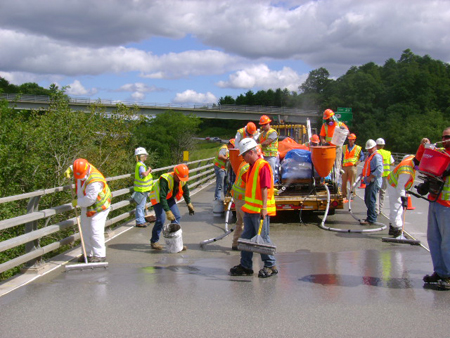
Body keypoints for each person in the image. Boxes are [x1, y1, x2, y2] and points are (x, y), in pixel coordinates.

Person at [230, 138, 278, 278]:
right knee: (245, 238)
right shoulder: (251, 166)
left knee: (263, 238)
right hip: (250, 209)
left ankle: (270, 265)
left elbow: (265, 187)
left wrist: (264, 208)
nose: (243, 158)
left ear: (251, 152)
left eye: (244, 155)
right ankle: (245, 266)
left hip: (259, 210)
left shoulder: (263, 166)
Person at [423, 127, 450, 289]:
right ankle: (440, 271)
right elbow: (424, 163)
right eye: (443, 137)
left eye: (448, 137)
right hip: (435, 200)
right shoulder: (440, 153)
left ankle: (448, 275)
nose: (445, 139)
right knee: (434, 239)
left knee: (447, 241)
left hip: (448, 204)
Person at [71, 158, 112, 263]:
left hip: (99, 205)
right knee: (85, 229)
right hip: (86, 204)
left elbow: (89, 200)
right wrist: (69, 169)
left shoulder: (95, 181)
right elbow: (75, 167)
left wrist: (77, 202)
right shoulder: (82, 167)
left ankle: (99, 255)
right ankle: (87, 253)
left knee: (95, 230)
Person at [148, 164, 195, 251]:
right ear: (175, 174)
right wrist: (167, 211)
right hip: (158, 198)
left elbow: (185, 190)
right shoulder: (165, 179)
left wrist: (189, 203)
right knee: (160, 219)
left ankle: (176, 243)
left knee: (176, 216)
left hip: (169, 197)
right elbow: (162, 197)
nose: (181, 180)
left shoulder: (182, 178)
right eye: (179, 178)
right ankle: (154, 241)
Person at [386, 154, 420, 237]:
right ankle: (397, 229)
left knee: (396, 206)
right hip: (394, 185)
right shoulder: (406, 171)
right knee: (397, 207)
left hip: (395, 181)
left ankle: (393, 226)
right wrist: (403, 197)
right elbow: (400, 187)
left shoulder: (412, 158)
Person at [319, 109, 348, 181]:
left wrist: (343, 130)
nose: (328, 121)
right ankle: (328, 179)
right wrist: (323, 142)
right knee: (328, 165)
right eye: (327, 119)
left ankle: (336, 180)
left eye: (328, 119)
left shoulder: (339, 124)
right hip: (328, 148)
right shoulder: (324, 126)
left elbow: (347, 133)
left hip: (337, 148)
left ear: (332, 117)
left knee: (337, 164)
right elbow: (322, 136)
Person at [359, 139, 383, 225]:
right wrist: (363, 174)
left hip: (374, 181)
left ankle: (372, 218)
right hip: (370, 181)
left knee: (371, 200)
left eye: (370, 148)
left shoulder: (376, 156)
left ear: (374, 147)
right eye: (368, 149)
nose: (369, 150)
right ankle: (370, 216)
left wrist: (370, 177)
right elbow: (367, 167)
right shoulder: (370, 155)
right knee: (367, 199)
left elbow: (379, 170)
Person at [230, 160, 250, 250]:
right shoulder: (248, 167)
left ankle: (236, 243)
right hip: (242, 197)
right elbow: (250, 184)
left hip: (238, 196)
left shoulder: (244, 163)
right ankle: (245, 245)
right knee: (247, 223)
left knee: (240, 221)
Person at [133, 147, 153, 227]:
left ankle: (141, 220)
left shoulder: (140, 164)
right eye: (145, 155)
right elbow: (144, 174)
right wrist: (149, 170)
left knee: (141, 206)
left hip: (142, 189)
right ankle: (140, 221)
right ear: (142, 156)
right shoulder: (140, 165)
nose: (146, 157)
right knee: (140, 206)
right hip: (141, 189)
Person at [341, 133, 364, 201]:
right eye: (349, 140)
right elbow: (342, 156)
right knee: (344, 182)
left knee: (352, 182)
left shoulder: (357, 148)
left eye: (352, 140)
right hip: (345, 167)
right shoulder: (344, 147)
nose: (350, 141)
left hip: (352, 166)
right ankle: (344, 195)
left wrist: (359, 161)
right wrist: (341, 163)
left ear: (354, 140)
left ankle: (352, 194)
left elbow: (362, 156)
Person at [376, 138, 395, 214]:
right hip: (385, 176)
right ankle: (380, 209)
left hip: (377, 175)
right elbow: (392, 163)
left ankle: (376, 210)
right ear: (383, 146)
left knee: (376, 192)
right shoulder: (388, 153)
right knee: (382, 192)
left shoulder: (375, 152)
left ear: (376, 145)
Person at [258, 115, 279, 182]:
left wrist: (257, 146)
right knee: (263, 173)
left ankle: (270, 189)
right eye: (262, 125)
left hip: (271, 156)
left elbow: (266, 143)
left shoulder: (273, 132)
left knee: (270, 173)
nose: (264, 126)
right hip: (262, 156)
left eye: (265, 124)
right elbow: (257, 141)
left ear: (269, 123)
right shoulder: (261, 134)